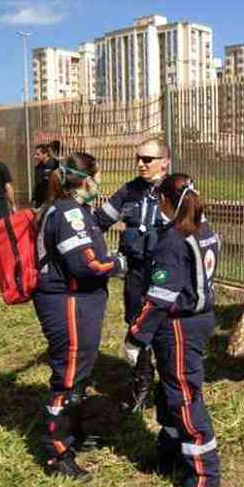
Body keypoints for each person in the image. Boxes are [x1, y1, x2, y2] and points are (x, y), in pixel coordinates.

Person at [124, 174, 221, 487]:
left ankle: (204, 474)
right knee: (168, 393)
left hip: (179, 324)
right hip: (199, 318)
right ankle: (171, 451)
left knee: (183, 395)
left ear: (165, 201)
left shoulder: (173, 239)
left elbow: (161, 297)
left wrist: (136, 335)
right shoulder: (203, 229)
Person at [33, 153, 126, 481]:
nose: (99, 183)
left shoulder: (74, 209)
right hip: (67, 302)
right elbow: (84, 264)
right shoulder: (68, 212)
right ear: (87, 179)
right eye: (98, 177)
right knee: (68, 377)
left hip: (77, 302)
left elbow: (92, 233)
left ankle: (73, 430)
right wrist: (119, 264)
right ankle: (56, 450)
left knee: (79, 374)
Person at [94, 137, 170, 412]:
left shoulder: (178, 191)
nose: (140, 164)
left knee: (165, 324)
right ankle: (142, 383)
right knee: (136, 323)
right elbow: (99, 222)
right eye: (138, 158)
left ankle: (169, 385)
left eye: (147, 159)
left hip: (165, 274)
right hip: (136, 273)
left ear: (165, 162)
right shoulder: (128, 191)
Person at [32, 143, 59, 208]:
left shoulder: (54, 165)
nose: (35, 157)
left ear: (45, 154)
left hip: (50, 201)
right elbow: (37, 184)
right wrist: (34, 198)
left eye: (38, 154)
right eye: (35, 154)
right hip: (40, 201)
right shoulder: (38, 167)